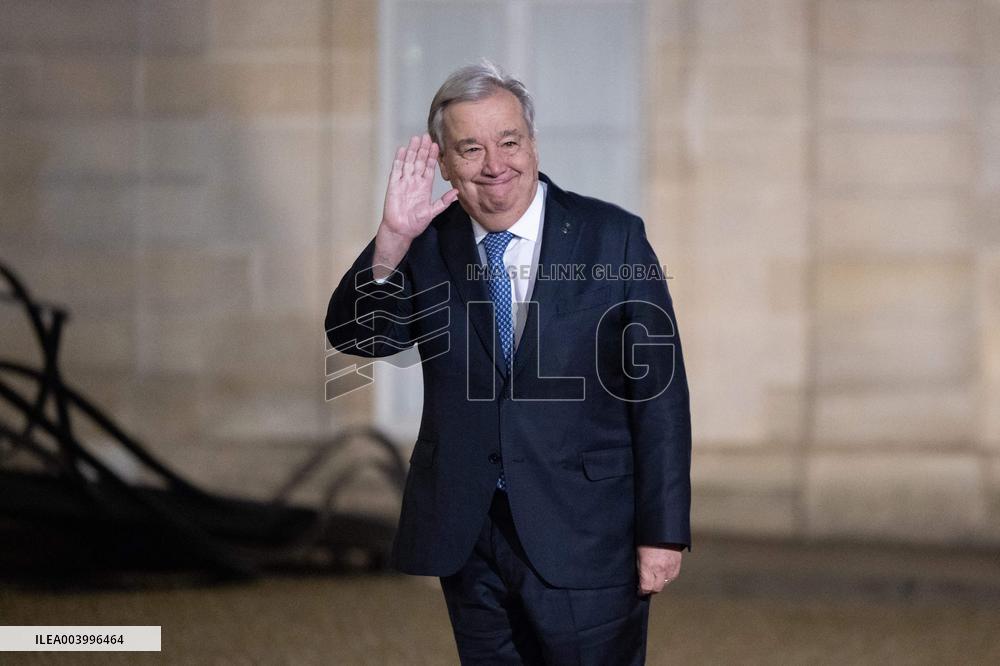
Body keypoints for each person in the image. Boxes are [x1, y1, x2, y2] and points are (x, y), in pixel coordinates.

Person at [326, 60, 691, 665]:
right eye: (470, 149)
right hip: (468, 531)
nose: (495, 165)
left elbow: (660, 397)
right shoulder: (425, 241)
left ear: (533, 143)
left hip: (586, 529)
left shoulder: (612, 237)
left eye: (509, 142)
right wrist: (391, 237)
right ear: (444, 163)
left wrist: (662, 531)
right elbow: (358, 340)